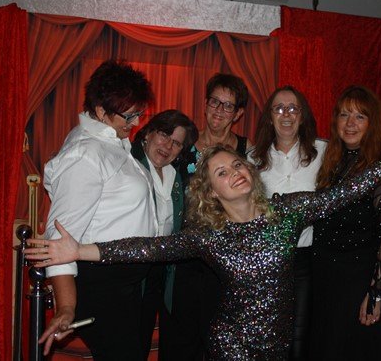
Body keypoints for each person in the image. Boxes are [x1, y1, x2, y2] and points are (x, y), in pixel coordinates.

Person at [27, 121, 381, 359]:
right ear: (212, 193)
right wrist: (78, 250)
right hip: (230, 349)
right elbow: (148, 247)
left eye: (238, 165)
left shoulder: (287, 212)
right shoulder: (211, 237)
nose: (235, 173)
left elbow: (345, 193)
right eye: (222, 173)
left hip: (278, 347)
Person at [39, 60, 156, 358]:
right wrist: (66, 307)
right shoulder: (85, 153)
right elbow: (60, 237)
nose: (135, 123)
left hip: (122, 283)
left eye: (139, 113)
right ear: (101, 111)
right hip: (103, 284)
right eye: (129, 115)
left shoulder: (111, 141)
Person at [309, 86, 381, 360]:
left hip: (360, 282)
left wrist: (375, 292)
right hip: (325, 278)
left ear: (373, 123)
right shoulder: (332, 161)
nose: (350, 123)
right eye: (344, 115)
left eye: (360, 116)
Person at [171, 73, 251, 360]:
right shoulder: (182, 147)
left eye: (228, 105)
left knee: (221, 346)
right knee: (181, 345)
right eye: (215, 102)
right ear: (205, 104)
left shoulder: (247, 152)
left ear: (238, 114)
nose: (219, 110)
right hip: (185, 260)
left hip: (227, 263)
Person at [247, 86, 326, 360]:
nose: (286, 115)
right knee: (266, 336)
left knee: (299, 338)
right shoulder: (252, 159)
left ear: (302, 116)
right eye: (279, 108)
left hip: (306, 260)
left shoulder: (323, 152)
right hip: (266, 261)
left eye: (293, 108)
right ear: (270, 117)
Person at [130, 110, 198, 358]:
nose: (168, 146)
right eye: (164, 135)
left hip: (161, 271)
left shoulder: (173, 175)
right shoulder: (129, 165)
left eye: (177, 143)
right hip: (131, 270)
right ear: (148, 133)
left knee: (145, 339)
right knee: (129, 341)